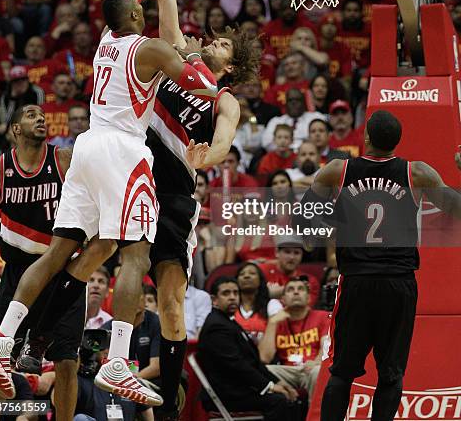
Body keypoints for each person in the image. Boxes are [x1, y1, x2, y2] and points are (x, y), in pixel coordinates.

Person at [0, 0, 221, 406]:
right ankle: (117, 362)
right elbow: (196, 81)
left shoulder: (106, 42)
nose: (142, 6)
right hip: (122, 152)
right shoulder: (151, 47)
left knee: (63, 248)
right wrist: (211, 77)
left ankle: (3, 337)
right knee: (134, 253)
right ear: (135, 17)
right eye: (140, 7)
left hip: (85, 145)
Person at [143, 0, 259, 420]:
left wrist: (203, 159)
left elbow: (222, 142)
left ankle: (169, 395)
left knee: (170, 297)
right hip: (133, 174)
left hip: (174, 192)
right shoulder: (176, 58)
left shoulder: (225, 97)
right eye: (213, 39)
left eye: (223, 45)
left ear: (232, 68)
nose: (212, 41)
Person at [299, 109, 461, 421]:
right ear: (398, 142)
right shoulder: (418, 173)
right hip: (398, 283)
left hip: (356, 281)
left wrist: (327, 227)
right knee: (391, 373)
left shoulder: (337, 170)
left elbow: (305, 219)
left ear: (367, 137)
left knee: (342, 371)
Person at [0, 104, 85, 421]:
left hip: (62, 275)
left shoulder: (64, 160)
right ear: (14, 129)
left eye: (42, 115)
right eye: (30, 115)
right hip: (17, 275)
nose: (40, 118)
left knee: (67, 361)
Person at [197, 277, 297, 420]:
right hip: (227, 394)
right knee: (279, 401)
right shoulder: (216, 327)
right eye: (226, 293)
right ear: (214, 300)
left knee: (289, 397)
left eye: (235, 293)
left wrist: (278, 382)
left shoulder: (228, 322)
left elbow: (253, 361)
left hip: (237, 389)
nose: (232, 297)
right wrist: (269, 386)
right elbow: (237, 365)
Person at [258, 277, 329, 402]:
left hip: (312, 367)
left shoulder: (322, 316)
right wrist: (273, 322)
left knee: (319, 371)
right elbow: (264, 358)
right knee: (261, 371)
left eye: (300, 289)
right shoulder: (277, 321)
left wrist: (317, 362)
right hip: (288, 371)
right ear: (283, 300)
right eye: (290, 289)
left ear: (308, 298)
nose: (296, 292)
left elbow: (326, 347)